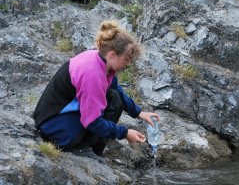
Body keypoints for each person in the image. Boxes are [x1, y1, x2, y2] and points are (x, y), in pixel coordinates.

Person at [33, 20, 159, 157]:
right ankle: (77, 147)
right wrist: (124, 133)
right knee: (100, 113)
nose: (127, 64)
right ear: (112, 55)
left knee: (114, 98)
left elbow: (117, 89)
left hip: (62, 118)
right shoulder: (93, 73)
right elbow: (92, 121)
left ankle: (92, 148)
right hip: (53, 126)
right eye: (126, 59)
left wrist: (139, 113)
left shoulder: (101, 62)